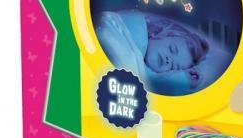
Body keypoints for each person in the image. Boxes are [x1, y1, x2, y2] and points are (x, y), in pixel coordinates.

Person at [95, 10, 228, 96]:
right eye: (172, 49)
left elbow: (152, 80)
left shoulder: (142, 72)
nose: (169, 60)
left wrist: (184, 79)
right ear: (160, 35)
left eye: (173, 67)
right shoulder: (133, 24)